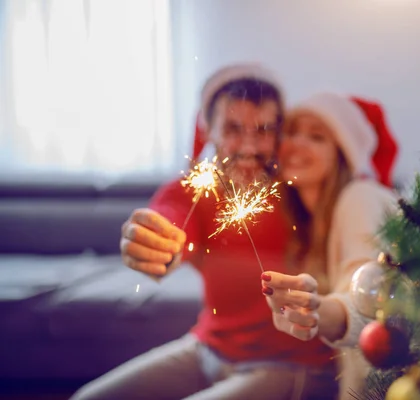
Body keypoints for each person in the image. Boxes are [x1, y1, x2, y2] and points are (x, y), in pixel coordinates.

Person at [71, 63, 338, 400]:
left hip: (289, 366)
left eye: (263, 130)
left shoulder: (304, 193)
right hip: (207, 349)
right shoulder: (192, 192)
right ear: (207, 129)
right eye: (232, 129)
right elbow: (172, 222)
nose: (248, 147)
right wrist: (156, 245)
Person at [260, 92, 400, 399]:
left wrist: (319, 312)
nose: (296, 144)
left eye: (317, 136)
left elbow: (369, 298)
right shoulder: (312, 225)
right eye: (292, 132)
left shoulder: (359, 197)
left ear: (342, 153)